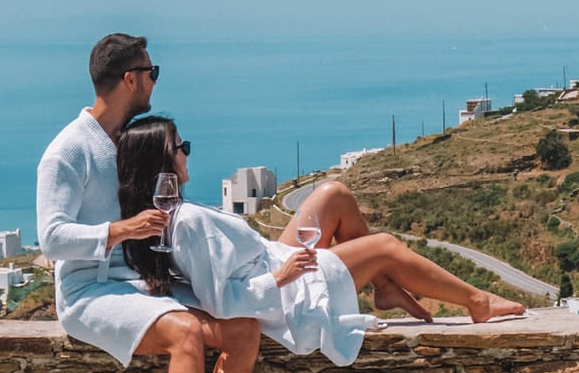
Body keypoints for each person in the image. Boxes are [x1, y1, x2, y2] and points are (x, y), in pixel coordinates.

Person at [36, 33, 261, 373]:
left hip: (138, 279)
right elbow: (51, 239)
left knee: (243, 330)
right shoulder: (68, 151)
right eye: (152, 72)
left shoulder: (125, 139)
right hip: (89, 289)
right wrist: (125, 229)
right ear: (130, 79)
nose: (156, 81)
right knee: (185, 333)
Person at [114, 115, 526, 358]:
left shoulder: (168, 214)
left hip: (271, 258)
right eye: (181, 146)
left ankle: (384, 287)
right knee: (384, 246)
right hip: (287, 288)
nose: (187, 152)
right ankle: (478, 301)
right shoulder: (186, 221)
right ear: (162, 160)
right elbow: (221, 302)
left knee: (334, 195)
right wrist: (281, 277)